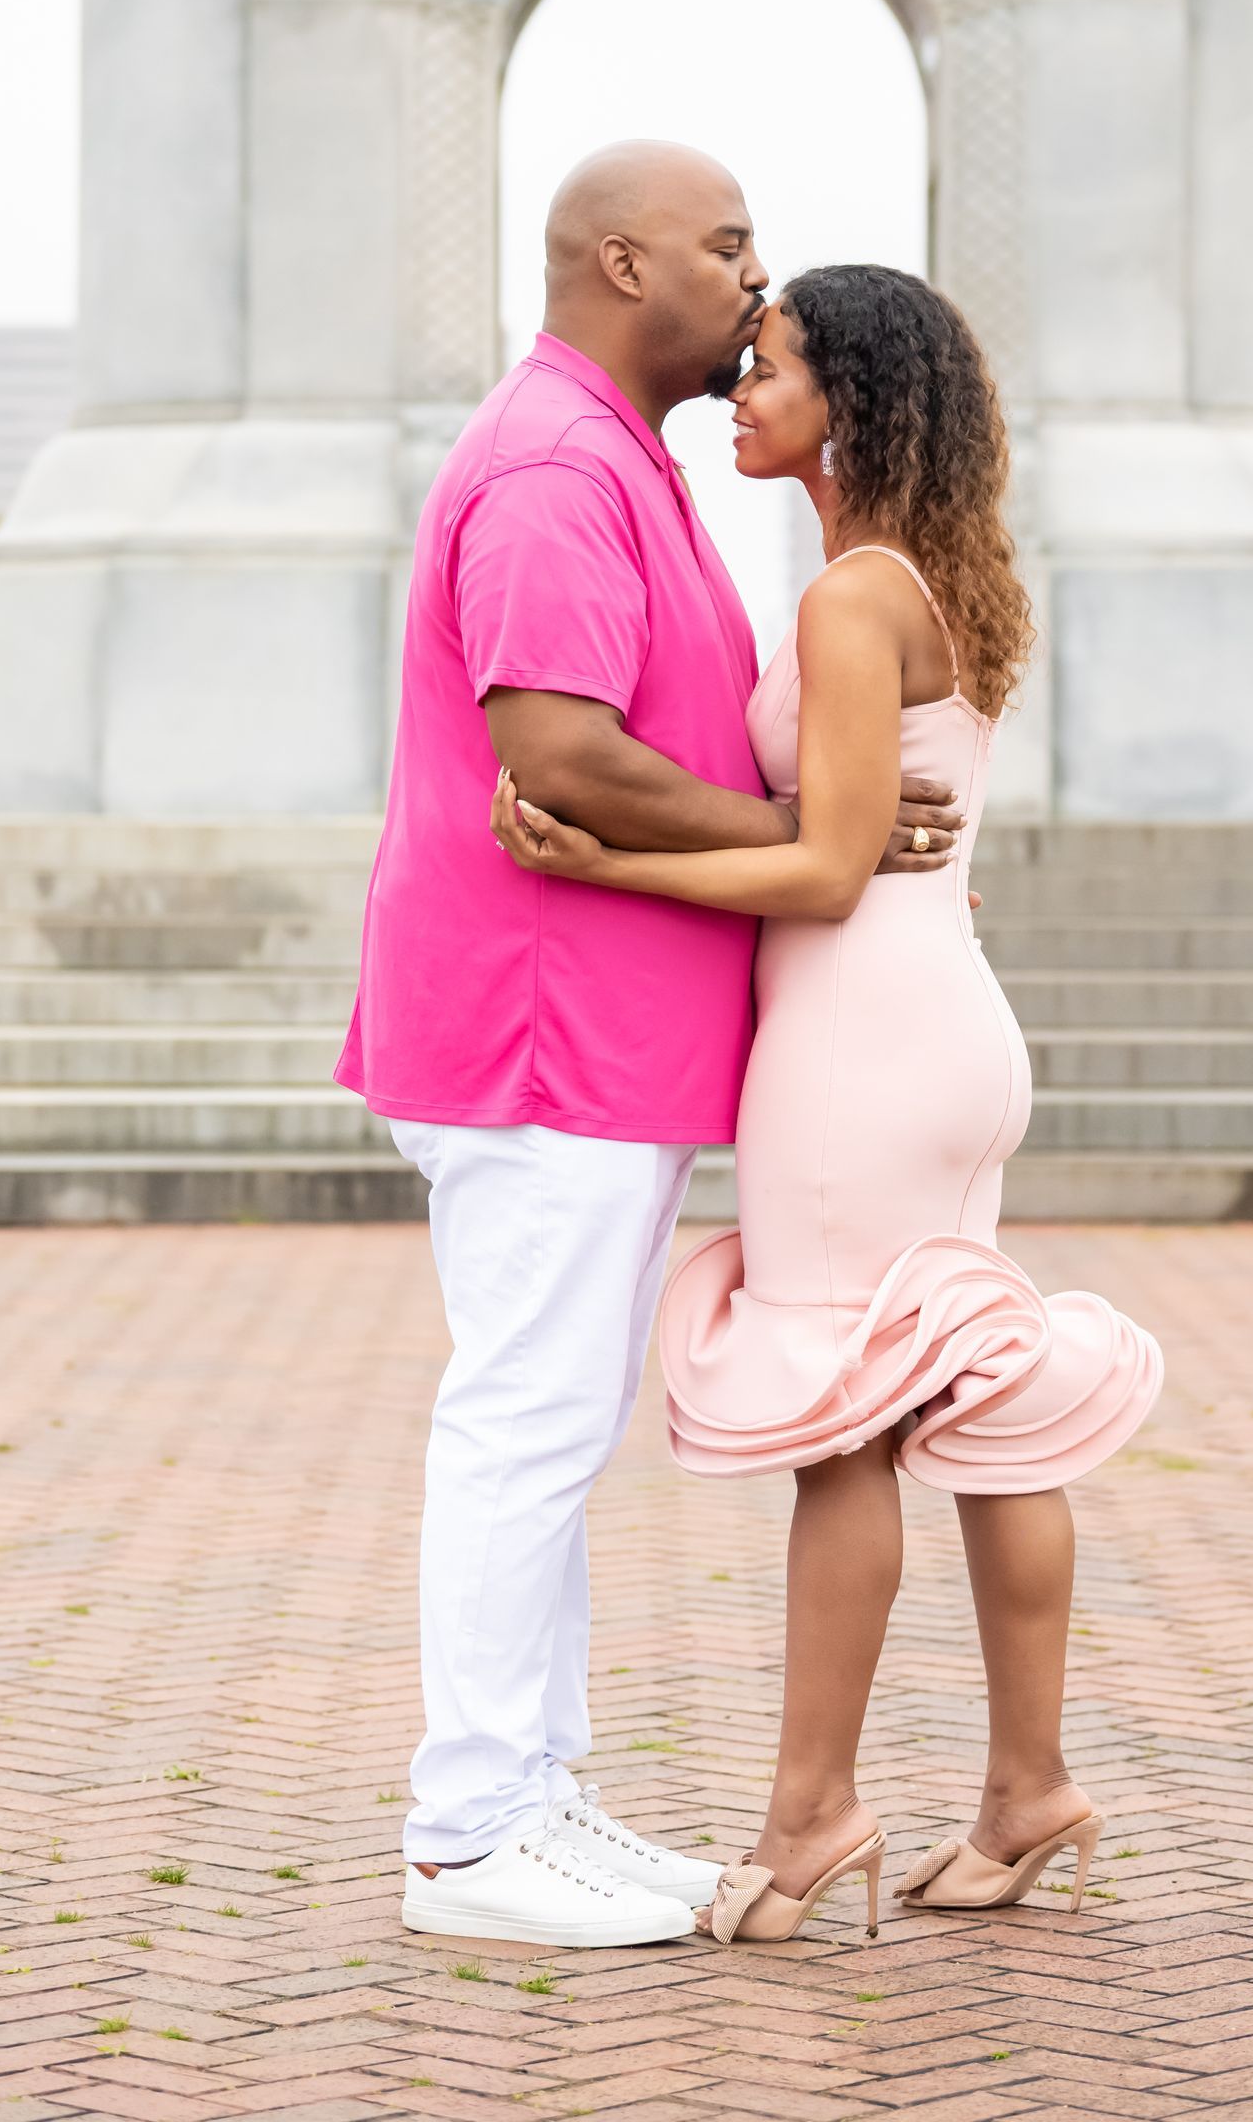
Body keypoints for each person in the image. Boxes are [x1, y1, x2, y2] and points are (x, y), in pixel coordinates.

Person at [336, 148, 968, 1948]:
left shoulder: (612, 458)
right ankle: (469, 1835)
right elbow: (563, 750)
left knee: (548, 1420)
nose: (758, 284)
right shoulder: (554, 466)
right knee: (525, 1423)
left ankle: (533, 1795)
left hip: (591, 1033)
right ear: (625, 261)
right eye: (728, 245)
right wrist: (793, 808)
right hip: (545, 1028)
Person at [492, 262, 1164, 1947]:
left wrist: (607, 854)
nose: (739, 391)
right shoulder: (946, 579)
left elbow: (830, 863)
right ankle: (1027, 1790)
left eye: (767, 370)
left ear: (849, 403)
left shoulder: (851, 599)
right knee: (986, 1405)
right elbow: (876, 841)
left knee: (844, 1429)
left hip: (862, 1048)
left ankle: (811, 1820)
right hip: (940, 1030)